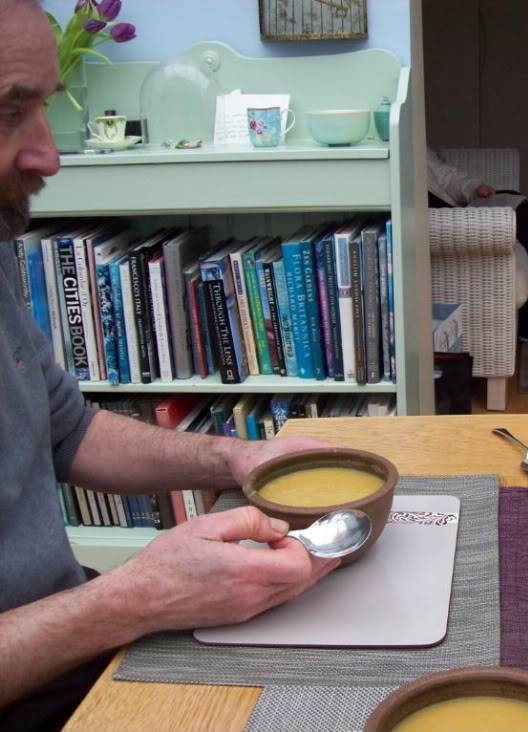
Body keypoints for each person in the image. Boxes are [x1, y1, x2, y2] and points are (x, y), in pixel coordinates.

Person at [0, 3, 340, 729]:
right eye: (7, 114)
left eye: (42, 110)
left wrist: (239, 457)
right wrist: (132, 599)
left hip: (65, 641)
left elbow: (64, 429)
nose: (48, 156)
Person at [426, 147, 528, 340]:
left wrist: (473, 187)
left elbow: (443, 174)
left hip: (452, 209)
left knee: (516, 203)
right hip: (435, 219)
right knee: (516, 213)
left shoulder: (410, 139)